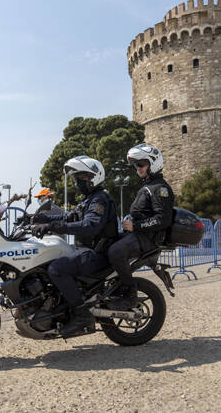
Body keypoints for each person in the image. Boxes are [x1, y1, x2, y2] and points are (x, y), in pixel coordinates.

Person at [31, 156, 118, 336]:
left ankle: (81, 315)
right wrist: (38, 218)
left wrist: (52, 227)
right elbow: (68, 217)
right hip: (84, 250)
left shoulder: (99, 199)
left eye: (81, 177)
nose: (77, 182)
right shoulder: (89, 199)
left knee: (56, 269)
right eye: (76, 178)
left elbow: (90, 225)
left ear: (94, 177)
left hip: (96, 253)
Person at [107, 143, 174, 311]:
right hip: (140, 235)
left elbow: (162, 219)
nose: (138, 169)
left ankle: (130, 294)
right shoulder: (148, 187)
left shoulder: (160, 188)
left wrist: (135, 226)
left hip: (148, 239)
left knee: (116, 252)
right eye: (136, 165)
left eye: (141, 165)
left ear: (153, 164)